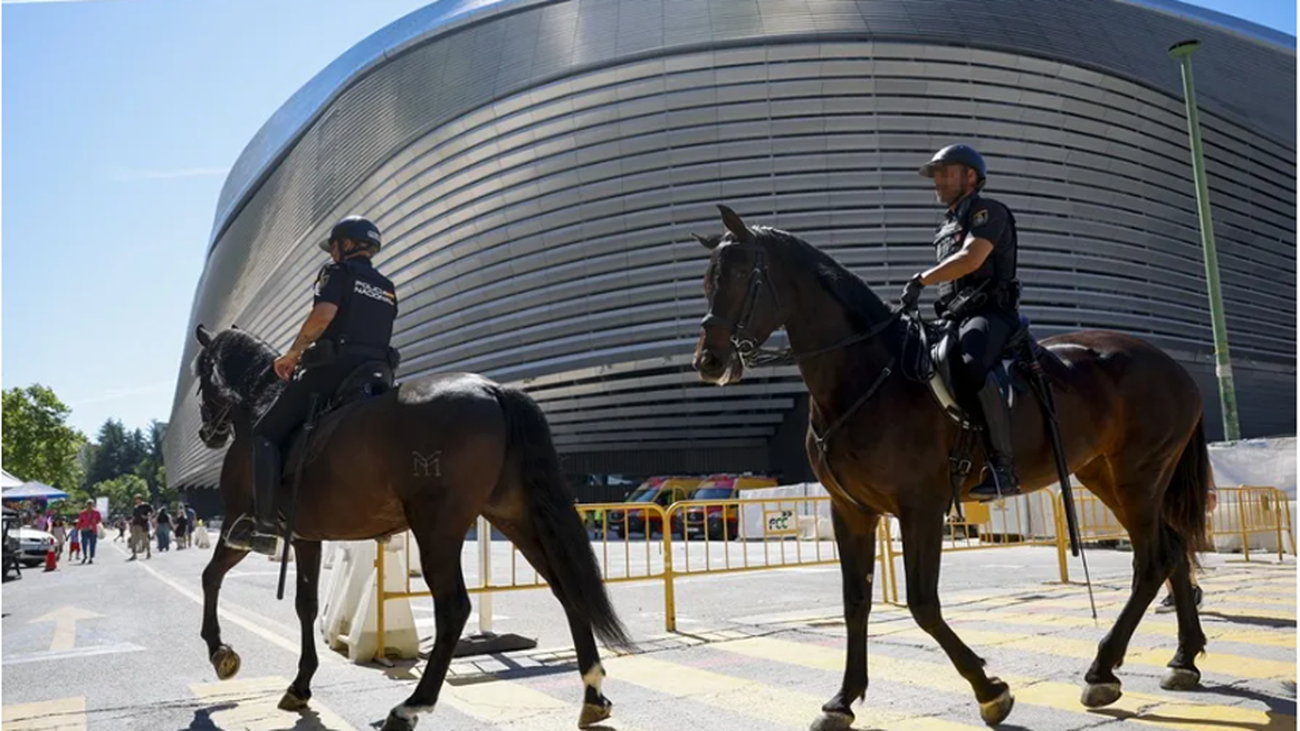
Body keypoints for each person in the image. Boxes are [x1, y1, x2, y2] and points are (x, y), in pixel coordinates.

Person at [226, 215, 400, 556]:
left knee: (264, 435)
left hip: (334, 371)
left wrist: (293, 353)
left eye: (334, 246)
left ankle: (264, 525)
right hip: (377, 375)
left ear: (346, 244)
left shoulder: (337, 272)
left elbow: (323, 316)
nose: (332, 252)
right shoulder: (386, 287)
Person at [901, 144, 1022, 500]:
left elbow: (972, 258)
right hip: (955, 317)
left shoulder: (988, 211)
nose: (937, 180)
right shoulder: (947, 225)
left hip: (991, 313)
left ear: (971, 177)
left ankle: (1003, 467)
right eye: (935, 174)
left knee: (972, 363)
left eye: (945, 172)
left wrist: (921, 279)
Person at [1157, 485, 1218, 612]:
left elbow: (1201, 470)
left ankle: (1192, 588)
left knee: (1181, 544)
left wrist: (1209, 489)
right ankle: (1173, 593)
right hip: (1159, 496)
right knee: (1162, 546)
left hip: (1182, 496)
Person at [76, 500, 102, 564]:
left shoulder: (96, 512)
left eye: (91, 504)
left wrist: (95, 522)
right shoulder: (82, 513)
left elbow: (99, 520)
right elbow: (80, 521)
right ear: (86, 505)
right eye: (88, 504)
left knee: (92, 544)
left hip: (92, 530)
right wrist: (77, 529)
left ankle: (91, 557)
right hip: (84, 530)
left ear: (93, 505)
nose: (90, 506)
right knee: (84, 543)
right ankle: (85, 556)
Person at [129, 495, 153, 561]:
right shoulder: (135, 507)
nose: (135, 501)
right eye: (135, 499)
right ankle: (134, 554)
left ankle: (148, 552)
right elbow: (134, 516)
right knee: (134, 540)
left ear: (140, 499)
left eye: (136, 499)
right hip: (135, 524)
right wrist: (131, 526)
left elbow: (151, 512)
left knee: (144, 539)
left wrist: (147, 517)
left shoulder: (146, 505)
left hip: (143, 524)